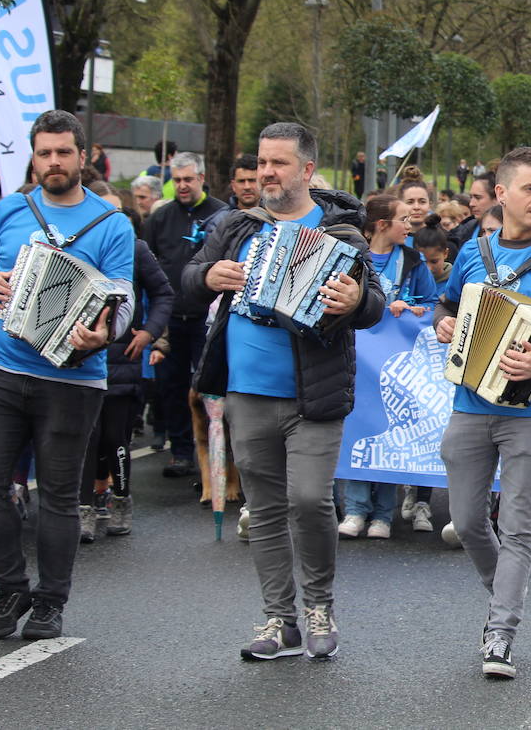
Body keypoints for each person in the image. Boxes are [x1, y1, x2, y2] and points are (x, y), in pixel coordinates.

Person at [182, 122, 383, 661]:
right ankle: (279, 620)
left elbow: (374, 305)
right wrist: (207, 277)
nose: (267, 174)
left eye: (279, 164)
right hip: (245, 391)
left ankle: (320, 605)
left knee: (310, 499)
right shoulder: (235, 226)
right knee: (266, 508)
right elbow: (188, 281)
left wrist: (355, 299)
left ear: (308, 171)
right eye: (263, 163)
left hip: (312, 395)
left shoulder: (341, 231)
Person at [0, 109, 136, 641]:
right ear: (33, 158)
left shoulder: (111, 223)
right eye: (44, 153)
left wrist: (103, 334)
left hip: (73, 380)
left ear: (82, 157)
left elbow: (124, 294)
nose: (54, 162)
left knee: (60, 496)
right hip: (3, 368)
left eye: (64, 152)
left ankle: (49, 602)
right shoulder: (10, 208)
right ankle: (10, 586)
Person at [433, 146, 531, 680]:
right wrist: (443, 325)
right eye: (530, 189)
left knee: (519, 526)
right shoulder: (475, 252)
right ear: (501, 194)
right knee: (468, 520)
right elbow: (447, 305)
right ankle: (501, 592)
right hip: (469, 403)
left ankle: (501, 631)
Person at [338, 195, 438, 541]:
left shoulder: (412, 262)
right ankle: (354, 509)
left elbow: (431, 304)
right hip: (357, 359)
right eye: (403, 221)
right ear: (382, 225)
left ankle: (383, 513)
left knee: (389, 430)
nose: (409, 227)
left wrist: (407, 306)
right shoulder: (352, 256)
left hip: (396, 363)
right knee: (357, 425)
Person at [79, 191, 173, 541]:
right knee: (86, 438)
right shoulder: (80, 246)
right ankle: (84, 507)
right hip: (79, 359)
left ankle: (120, 499)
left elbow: (164, 293)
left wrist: (149, 333)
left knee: (114, 437)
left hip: (122, 358)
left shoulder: (135, 249)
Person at [143, 153, 227, 477]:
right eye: (176, 180)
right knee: (171, 386)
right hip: (171, 318)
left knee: (209, 388)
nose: (181, 186)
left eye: (188, 179)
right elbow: (147, 264)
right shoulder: (160, 218)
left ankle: (215, 457)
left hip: (206, 319)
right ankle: (181, 451)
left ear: (201, 178)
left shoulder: (221, 215)